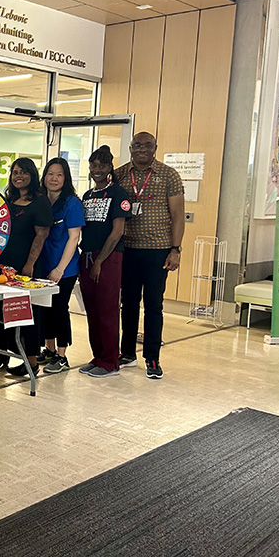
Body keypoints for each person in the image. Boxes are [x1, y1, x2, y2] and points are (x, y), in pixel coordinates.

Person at [114, 132, 184, 379]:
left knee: (154, 305)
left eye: (147, 145)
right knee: (128, 304)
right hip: (127, 249)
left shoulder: (168, 175)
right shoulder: (120, 174)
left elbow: (177, 216)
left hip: (158, 250)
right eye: (137, 145)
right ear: (131, 148)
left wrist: (175, 249)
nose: (142, 149)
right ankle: (127, 353)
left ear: (156, 147)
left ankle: (152, 357)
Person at [0, 158, 51, 376]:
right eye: (15, 172)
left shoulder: (40, 202)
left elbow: (41, 235)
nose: (18, 176)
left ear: (32, 175)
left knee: (26, 315)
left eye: (23, 172)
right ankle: (1, 352)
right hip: (2, 267)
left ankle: (31, 362)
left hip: (26, 268)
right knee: (0, 312)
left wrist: (30, 264)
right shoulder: (8, 200)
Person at [78, 146, 132, 378]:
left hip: (108, 258)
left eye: (102, 165)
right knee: (92, 310)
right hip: (87, 255)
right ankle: (97, 355)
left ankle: (110, 361)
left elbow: (117, 231)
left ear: (110, 167)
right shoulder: (88, 196)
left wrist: (100, 260)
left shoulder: (118, 194)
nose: (97, 170)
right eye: (93, 166)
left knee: (107, 310)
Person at [36, 157, 85, 375]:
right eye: (50, 174)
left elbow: (73, 238)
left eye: (59, 174)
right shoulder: (40, 200)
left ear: (66, 178)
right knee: (45, 309)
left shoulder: (72, 203)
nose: (54, 179)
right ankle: (49, 350)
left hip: (64, 268)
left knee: (59, 310)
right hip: (43, 265)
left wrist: (60, 269)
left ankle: (62, 356)